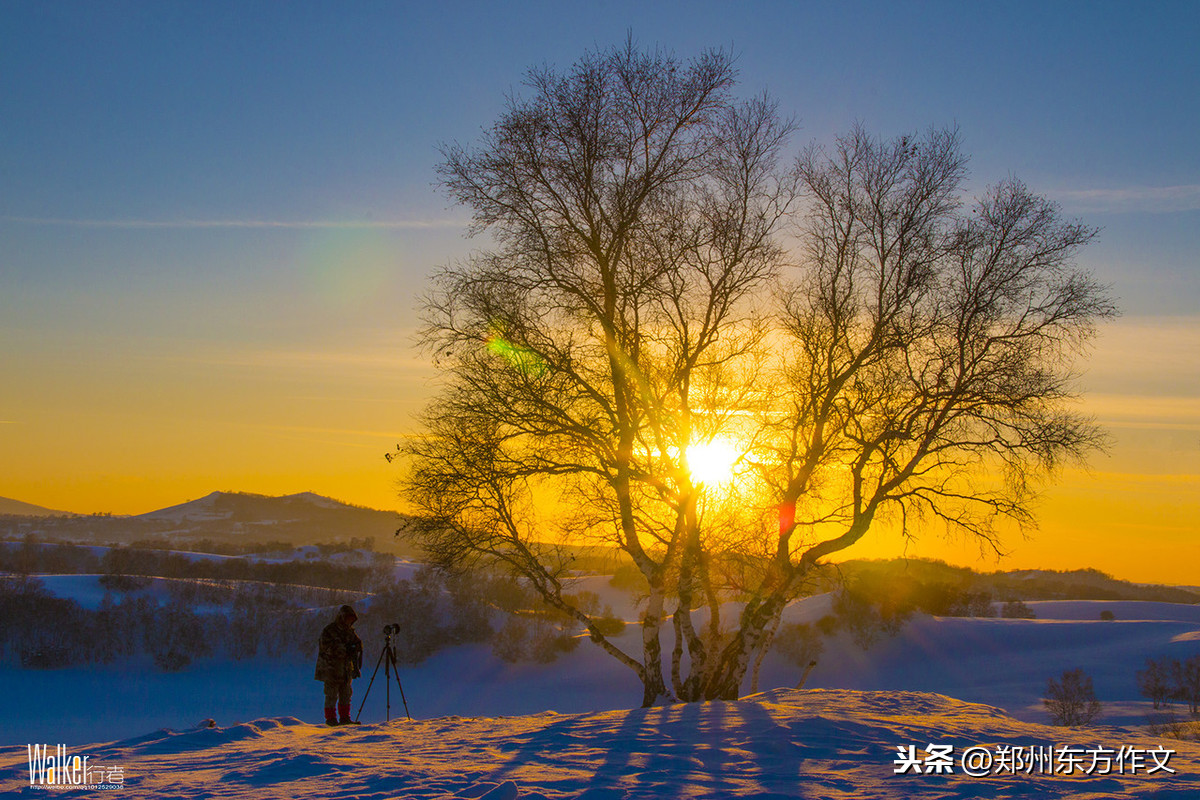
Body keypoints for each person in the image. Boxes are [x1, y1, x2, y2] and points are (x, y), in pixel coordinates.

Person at [314, 604, 363, 726]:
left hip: (345, 669)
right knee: (331, 695)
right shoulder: (329, 630)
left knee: (346, 694)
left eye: (351, 619)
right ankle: (331, 719)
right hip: (331, 669)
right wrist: (344, 649)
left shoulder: (349, 631)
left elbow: (358, 644)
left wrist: (355, 648)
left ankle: (345, 718)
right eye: (348, 618)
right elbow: (326, 648)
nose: (349, 622)